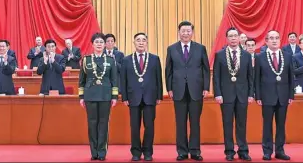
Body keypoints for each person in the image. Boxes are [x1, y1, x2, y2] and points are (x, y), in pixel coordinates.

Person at [165, 20, 210, 161]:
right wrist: (169, 88)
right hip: (178, 90)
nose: (185, 33)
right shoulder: (171, 49)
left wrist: (206, 87)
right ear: (179, 32)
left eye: (188, 31)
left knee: (195, 122)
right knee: (180, 122)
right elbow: (168, 70)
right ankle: (182, 151)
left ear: (192, 32)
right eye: (183, 31)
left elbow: (206, 69)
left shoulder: (200, 48)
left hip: (196, 90)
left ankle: (195, 151)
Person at [120, 33, 163, 162]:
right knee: (134, 126)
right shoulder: (126, 60)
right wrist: (124, 97)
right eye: (138, 40)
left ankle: (148, 151)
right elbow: (123, 80)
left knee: (149, 126)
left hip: (150, 97)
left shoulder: (154, 59)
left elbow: (158, 79)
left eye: (143, 40)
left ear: (147, 43)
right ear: (134, 43)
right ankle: (136, 152)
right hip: (133, 97)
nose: (141, 42)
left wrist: (159, 95)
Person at [213, 27, 253, 161]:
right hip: (225, 95)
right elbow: (216, 77)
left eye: (235, 36)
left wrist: (251, 94)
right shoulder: (220, 54)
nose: (233, 38)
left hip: (242, 95)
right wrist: (217, 93)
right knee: (227, 123)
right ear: (227, 38)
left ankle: (243, 150)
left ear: (239, 38)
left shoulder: (246, 55)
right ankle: (229, 151)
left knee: (242, 123)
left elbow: (250, 76)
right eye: (230, 36)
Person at [255, 30, 294, 161]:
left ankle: (280, 150)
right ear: (266, 41)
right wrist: (258, 96)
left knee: (281, 125)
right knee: (267, 125)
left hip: (283, 96)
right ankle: (267, 151)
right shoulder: (260, 57)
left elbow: (290, 77)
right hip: (266, 96)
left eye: (277, 38)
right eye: (271, 38)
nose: (274, 40)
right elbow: (257, 78)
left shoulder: (287, 56)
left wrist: (291, 95)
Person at [79, 33, 118, 161]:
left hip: (105, 95)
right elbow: (82, 80)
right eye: (97, 42)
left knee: (103, 124)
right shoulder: (86, 59)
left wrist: (114, 96)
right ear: (92, 44)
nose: (99, 44)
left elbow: (114, 80)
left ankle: (102, 152)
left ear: (105, 44)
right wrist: (81, 97)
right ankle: (93, 152)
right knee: (92, 124)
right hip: (90, 95)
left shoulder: (111, 60)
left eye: (102, 42)